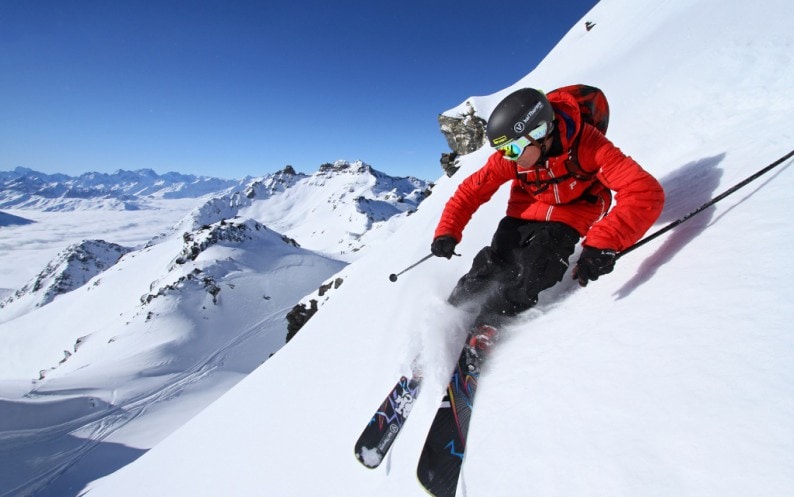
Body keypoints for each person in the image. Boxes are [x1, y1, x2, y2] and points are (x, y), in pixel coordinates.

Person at [431, 87, 665, 331]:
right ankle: (451, 313)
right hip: (524, 212)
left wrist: (603, 242)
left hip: (572, 214)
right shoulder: (513, 158)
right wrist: (447, 231)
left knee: (536, 267)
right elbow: (470, 192)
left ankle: (489, 325)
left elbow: (643, 191)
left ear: (539, 133)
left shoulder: (590, 146)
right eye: (503, 151)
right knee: (493, 264)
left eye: (512, 149)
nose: (509, 157)